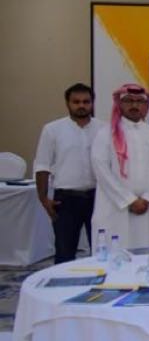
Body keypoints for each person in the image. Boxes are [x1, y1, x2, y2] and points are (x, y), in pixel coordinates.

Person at [90, 84, 149, 248]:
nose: (134, 105)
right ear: (119, 104)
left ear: (146, 105)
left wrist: (148, 198)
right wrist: (128, 200)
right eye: (128, 101)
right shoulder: (105, 134)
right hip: (114, 206)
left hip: (148, 207)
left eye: (139, 101)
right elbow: (102, 171)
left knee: (146, 252)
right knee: (114, 252)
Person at [34, 83, 100, 262]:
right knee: (65, 251)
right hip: (66, 200)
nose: (81, 105)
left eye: (86, 101)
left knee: (102, 250)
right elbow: (42, 165)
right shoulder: (52, 130)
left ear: (92, 103)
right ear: (67, 103)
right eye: (76, 102)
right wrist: (43, 198)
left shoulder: (104, 129)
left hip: (99, 198)